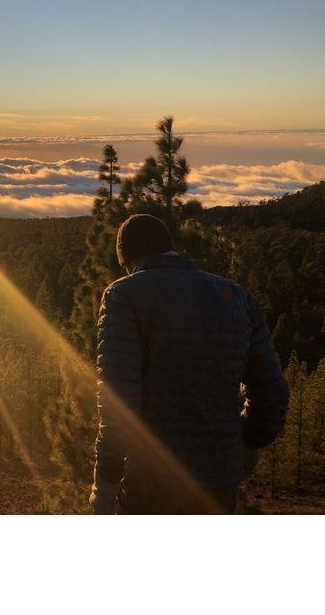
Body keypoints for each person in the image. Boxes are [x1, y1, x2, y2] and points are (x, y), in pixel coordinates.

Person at [89, 213, 289, 514]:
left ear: (128, 259)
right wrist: (244, 445)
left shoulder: (124, 295)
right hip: (220, 480)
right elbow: (272, 392)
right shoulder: (237, 297)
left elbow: (119, 401)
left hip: (149, 480)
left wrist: (104, 481)